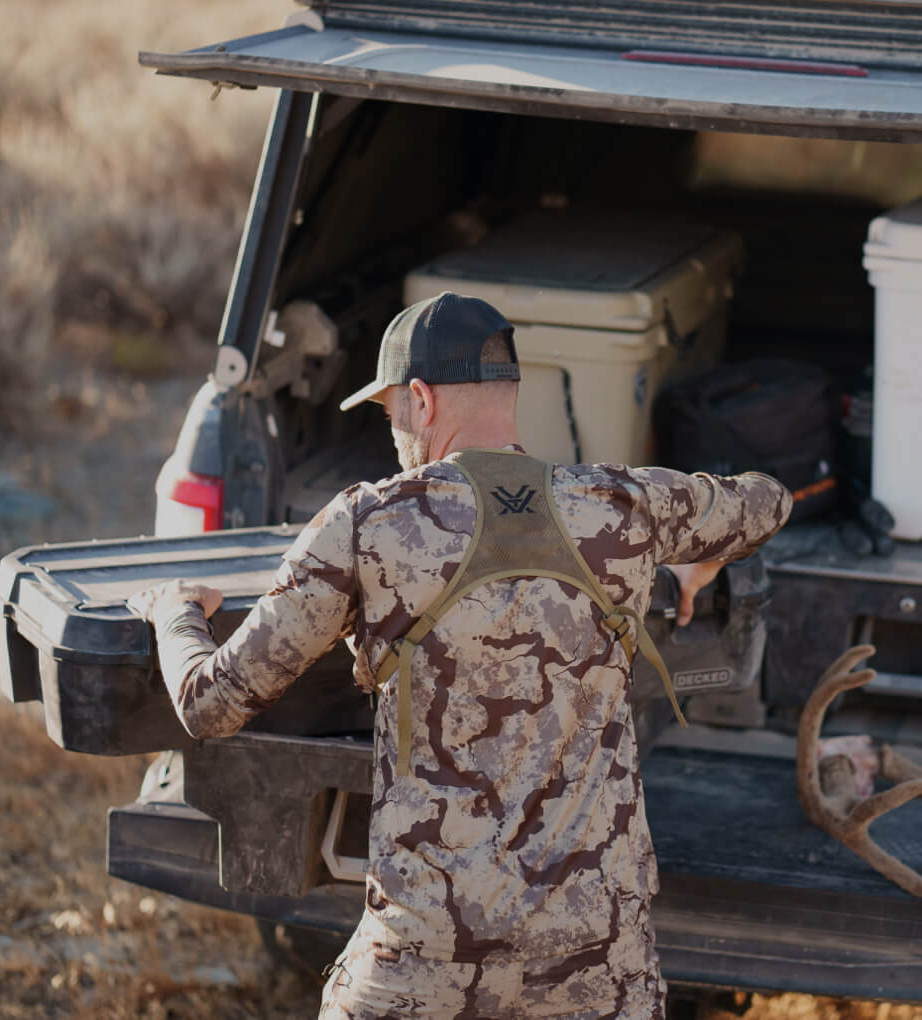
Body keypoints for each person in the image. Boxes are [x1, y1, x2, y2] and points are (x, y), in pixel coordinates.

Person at [129, 292, 792, 1019]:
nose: (395, 434)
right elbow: (767, 502)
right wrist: (702, 560)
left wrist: (175, 611)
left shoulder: (365, 524)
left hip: (424, 959)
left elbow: (208, 706)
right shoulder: (621, 503)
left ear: (420, 400)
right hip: (597, 957)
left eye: (390, 416)